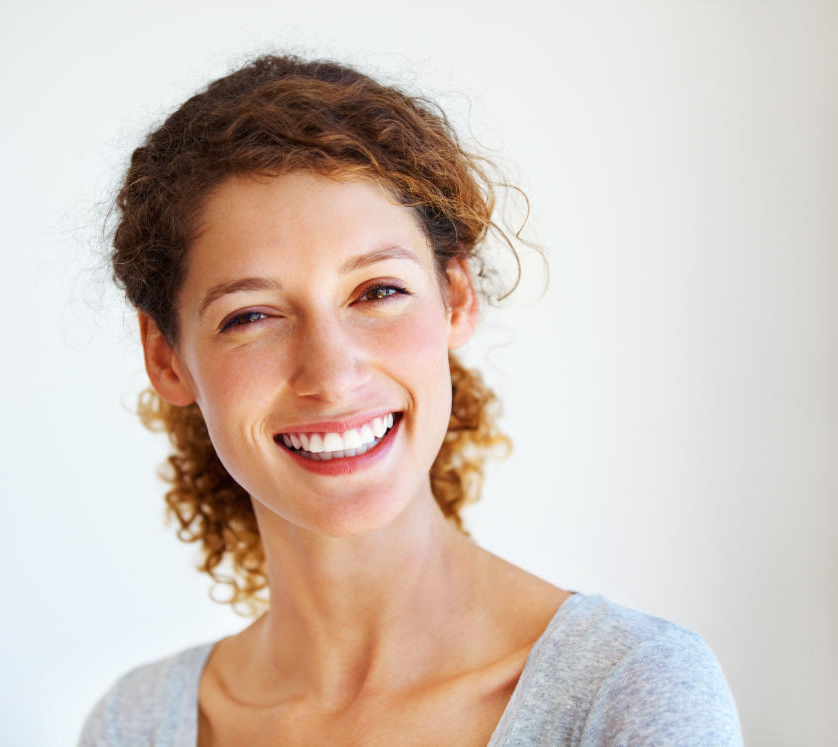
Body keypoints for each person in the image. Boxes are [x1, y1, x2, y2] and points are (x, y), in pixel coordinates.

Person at [79, 55, 742, 746]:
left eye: (378, 292)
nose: (331, 375)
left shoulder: (627, 691)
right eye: (251, 316)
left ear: (456, 295)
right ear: (165, 356)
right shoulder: (137, 724)